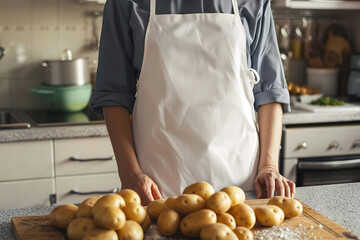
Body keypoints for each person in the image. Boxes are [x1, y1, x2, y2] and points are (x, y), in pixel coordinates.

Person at [91, 0, 295, 205]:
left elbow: (270, 92)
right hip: (159, 188)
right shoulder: (125, 3)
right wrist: (130, 174)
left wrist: (269, 167)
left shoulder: (254, 2)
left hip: (242, 185)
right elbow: (114, 95)